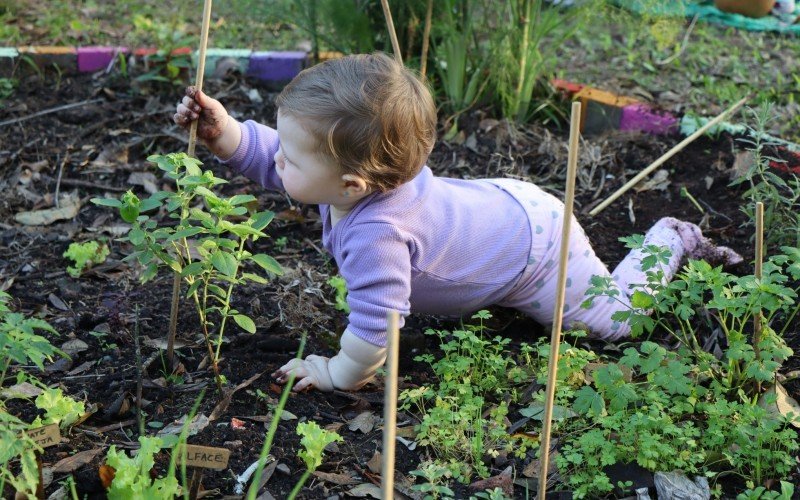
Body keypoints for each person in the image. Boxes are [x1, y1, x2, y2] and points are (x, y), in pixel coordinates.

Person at [173, 52, 741, 393]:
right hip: (502, 209)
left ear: (352, 187)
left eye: (290, 156)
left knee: (617, 323)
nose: (277, 158)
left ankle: (671, 237)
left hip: (538, 253)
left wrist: (339, 372)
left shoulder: (379, 237)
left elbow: (376, 330)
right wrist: (225, 133)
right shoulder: (363, 176)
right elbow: (273, 157)